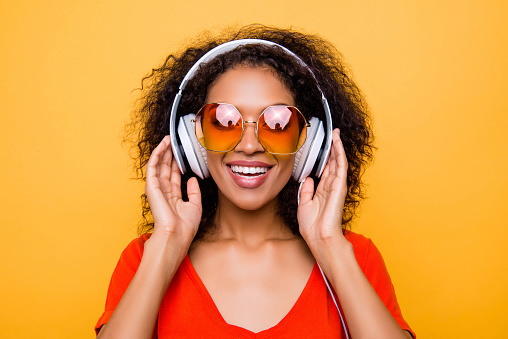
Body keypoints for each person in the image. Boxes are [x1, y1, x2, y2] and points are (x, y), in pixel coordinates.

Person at [95, 25, 415, 338]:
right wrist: (167, 243)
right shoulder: (145, 258)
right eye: (224, 121)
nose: (250, 146)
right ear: (192, 140)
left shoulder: (355, 257)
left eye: (278, 124)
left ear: (309, 143)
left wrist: (329, 245)